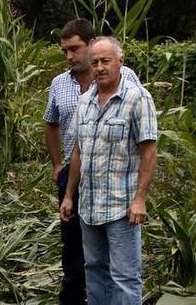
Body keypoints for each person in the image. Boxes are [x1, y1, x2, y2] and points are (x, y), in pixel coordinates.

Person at [43, 19, 141, 304]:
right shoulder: (60, 84)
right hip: (74, 177)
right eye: (65, 51)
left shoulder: (127, 78)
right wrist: (56, 164)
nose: (70, 56)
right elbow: (50, 123)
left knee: (117, 251)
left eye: (75, 49)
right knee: (74, 250)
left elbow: (143, 128)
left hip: (114, 177)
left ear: (91, 43)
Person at [59, 36, 158, 305]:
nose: (100, 67)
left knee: (125, 277)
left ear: (119, 61)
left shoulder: (137, 98)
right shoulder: (86, 101)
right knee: (94, 270)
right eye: (95, 63)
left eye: (106, 61)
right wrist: (69, 195)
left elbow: (149, 150)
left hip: (121, 208)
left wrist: (140, 198)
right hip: (89, 207)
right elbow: (78, 150)